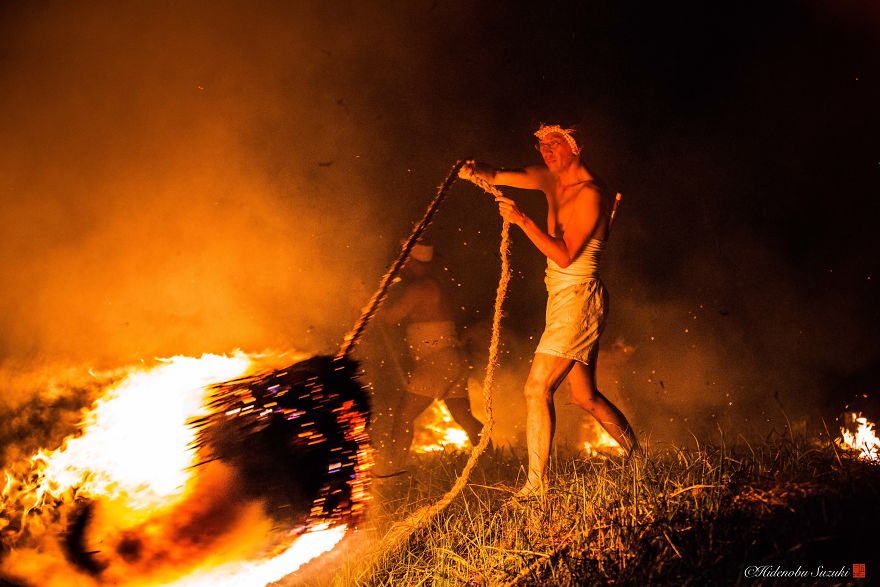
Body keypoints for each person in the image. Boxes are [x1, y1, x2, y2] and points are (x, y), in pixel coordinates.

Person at [459, 123, 639, 496]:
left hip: (580, 298)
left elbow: (565, 255)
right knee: (585, 397)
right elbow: (497, 174)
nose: (546, 151)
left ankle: (535, 486)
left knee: (536, 387)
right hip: (561, 297)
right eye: (541, 145)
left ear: (576, 146)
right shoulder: (548, 179)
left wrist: (523, 220)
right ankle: (640, 458)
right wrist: (472, 169)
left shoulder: (590, 194)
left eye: (554, 143)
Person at [380, 242, 486, 469]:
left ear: (410, 261)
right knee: (463, 417)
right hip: (452, 359)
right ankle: (489, 459)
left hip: (439, 361)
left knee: (403, 415)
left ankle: (393, 467)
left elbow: (391, 317)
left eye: (404, 260)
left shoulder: (420, 288)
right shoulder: (433, 285)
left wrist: (362, 303)